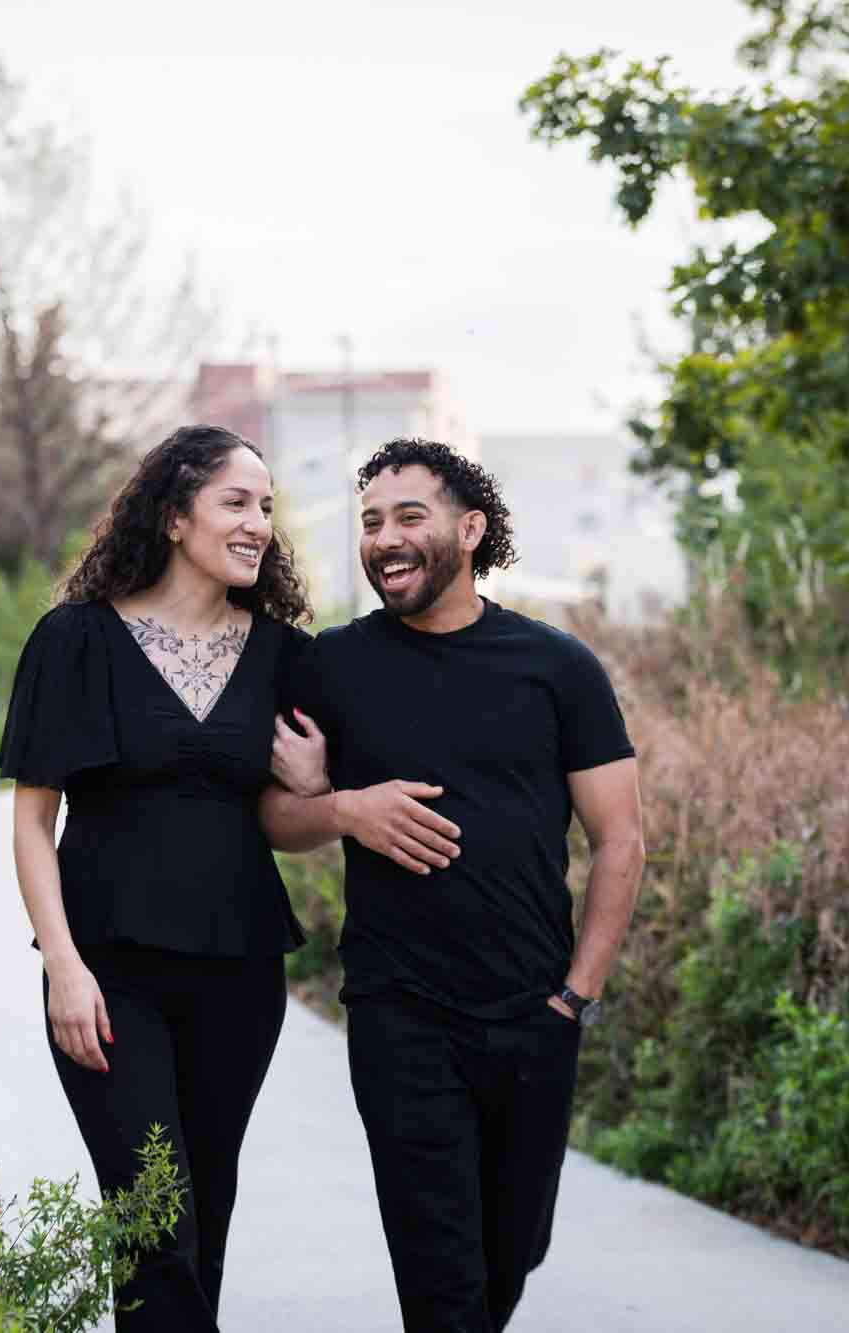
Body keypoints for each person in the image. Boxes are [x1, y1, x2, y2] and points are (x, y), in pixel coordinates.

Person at [259, 438, 646, 1332]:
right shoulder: (333, 665)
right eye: (369, 521)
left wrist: (574, 1000)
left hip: (533, 1014)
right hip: (403, 1012)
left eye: (408, 517)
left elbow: (621, 841)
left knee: (511, 1254)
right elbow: (276, 819)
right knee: (441, 1283)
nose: (384, 538)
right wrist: (346, 808)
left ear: (469, 530)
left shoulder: (557, 667)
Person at [0, 424, 320, 1332]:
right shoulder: (76, 640)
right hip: (108, 973)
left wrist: (317, 785)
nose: (258, 522)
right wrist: (62, 963)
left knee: (203, 1217)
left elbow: (296, 824)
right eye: (236, 502)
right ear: (176, 516)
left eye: (267, 507)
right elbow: (33, 818)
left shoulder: (284, 655)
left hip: (240, 972)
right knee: (152, 1220)